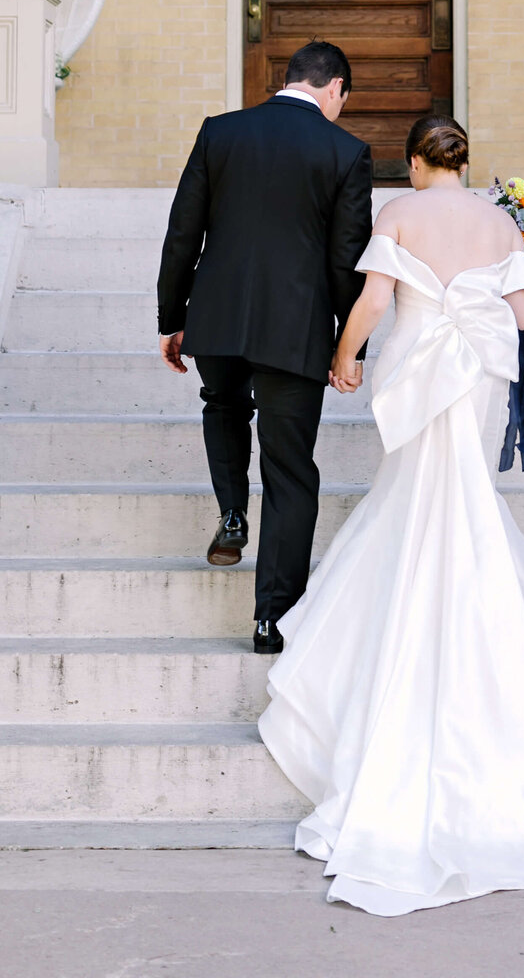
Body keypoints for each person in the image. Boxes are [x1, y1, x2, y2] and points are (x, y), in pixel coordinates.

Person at [259, 113, 524, 914]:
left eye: (412, 165)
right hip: (478, 376)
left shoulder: (400, 213)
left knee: (416, 498)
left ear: (420, 162)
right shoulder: (497, 220)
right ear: (465, 162)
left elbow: (376, 301)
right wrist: (492, 300)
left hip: (421, 371)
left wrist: (344, 357)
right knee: (467, 499)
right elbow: (522, 315)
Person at [157, 40, 373, 654]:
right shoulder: (346, 152)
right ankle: (270, 619)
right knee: (289, 469)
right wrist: (348, 344)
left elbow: (183, 231)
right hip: (294, 328)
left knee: (223, 407)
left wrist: (174, 317)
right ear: (334, 88)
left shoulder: (220, 133)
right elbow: (344, 261)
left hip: (218, 317)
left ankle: (230, 511)